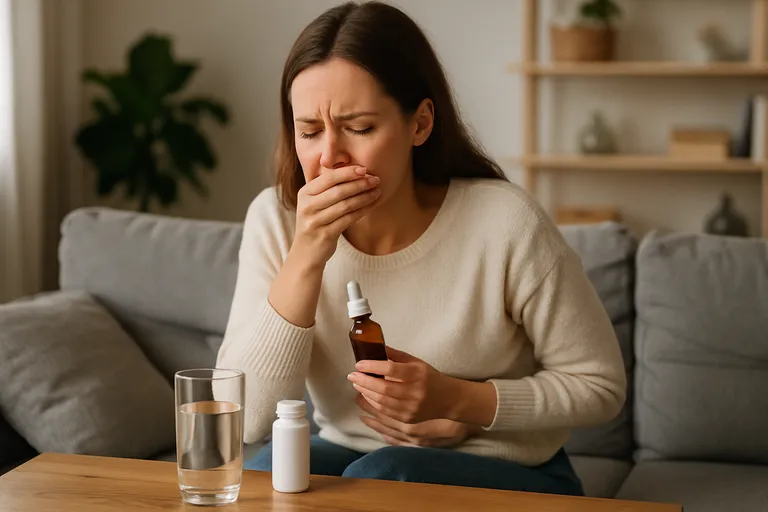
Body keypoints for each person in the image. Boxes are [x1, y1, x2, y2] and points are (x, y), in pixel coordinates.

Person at [216, 0, 626, 496]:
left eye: (360, 128)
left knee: (382, 478)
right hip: (349, 452)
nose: (329, 157)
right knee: (260, 478)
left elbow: (601, 387)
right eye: (309, 131)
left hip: (515, 470)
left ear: (420, 124)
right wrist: (306, 255)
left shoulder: (505, 223)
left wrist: (462, 402)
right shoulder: (275, 221)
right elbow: (246, 418)